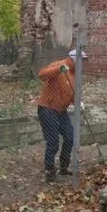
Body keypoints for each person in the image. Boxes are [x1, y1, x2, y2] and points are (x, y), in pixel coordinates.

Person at [37, 48, 88, 182]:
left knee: (70, 137)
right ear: (74, 59)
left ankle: (64, 167)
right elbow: (42, 75)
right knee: (53, 141)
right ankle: (49, 170)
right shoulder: (59, 64)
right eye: (82, 61)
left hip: (61, 111)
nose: (83, 64)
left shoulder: (75, 74)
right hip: (47, 109)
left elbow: (71, 93)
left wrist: (78, 102)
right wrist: (58, 69)